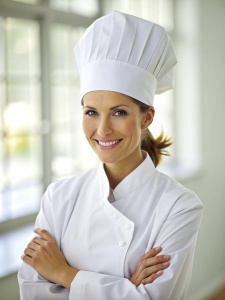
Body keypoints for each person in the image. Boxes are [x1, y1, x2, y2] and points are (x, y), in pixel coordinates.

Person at [18, 10, 204, 300]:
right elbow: (33, 293)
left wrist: (64, 274)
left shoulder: (179, 206)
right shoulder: (59, 197)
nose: (102, 130)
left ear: (147, 117)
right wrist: (125, 289)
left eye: (119, 112)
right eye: (91, 112)